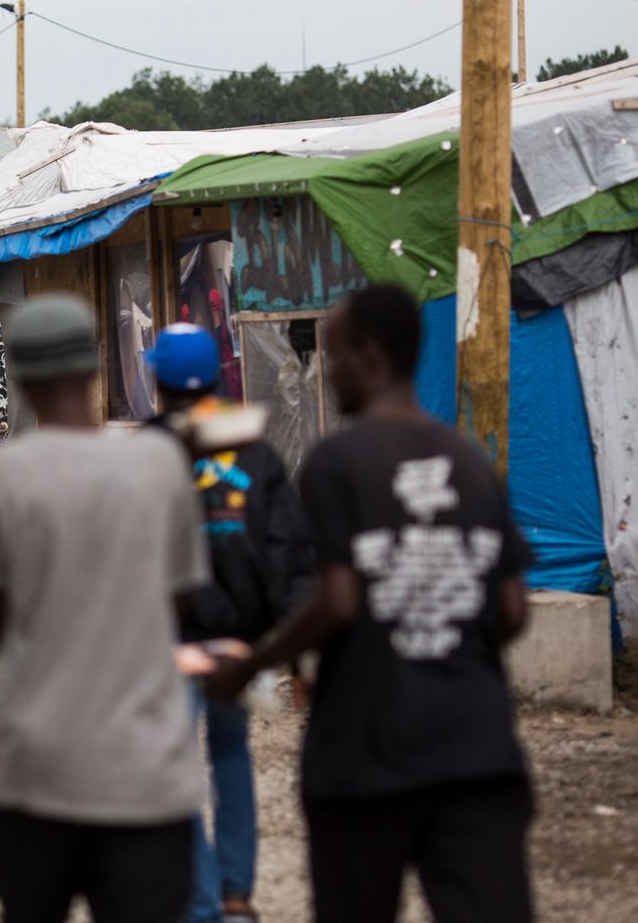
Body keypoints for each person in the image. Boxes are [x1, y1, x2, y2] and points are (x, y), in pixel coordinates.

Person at [206, 285, 534, 923]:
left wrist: (251, 666)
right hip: (477, 750)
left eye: (334, 355)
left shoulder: (338, 462)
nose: (327, 371)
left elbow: (337, 601)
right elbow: (513, 611)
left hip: (367, 751)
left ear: (372, 354)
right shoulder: (469, 462)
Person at [0, 294, 207, 922]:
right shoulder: (161, 464)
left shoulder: (0, 476)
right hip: (147, 769)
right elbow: (181, 602)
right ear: (97, 364)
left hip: (40, 770)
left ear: (18, 375)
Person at [145, 323, 311, 923]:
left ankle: (201, 900)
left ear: (158, 379)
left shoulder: (144, 449)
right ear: (218, 374)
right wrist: (295, 647)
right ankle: (236, 893)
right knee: (231, 755)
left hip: (167, 641)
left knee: (177, 766)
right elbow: (287, 548)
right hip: (240, 641)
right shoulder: (254, 450)